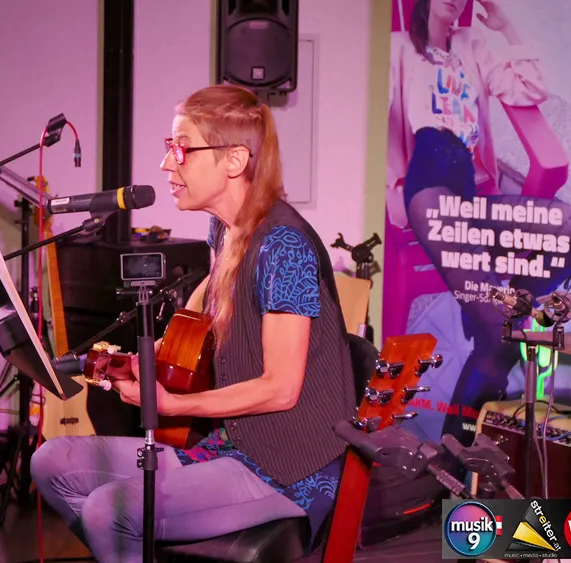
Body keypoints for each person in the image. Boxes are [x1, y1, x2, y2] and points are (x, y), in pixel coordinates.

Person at [30, 84, 357, 562]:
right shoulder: (224, 227)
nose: (167, 164)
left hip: (288, 465)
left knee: (107, 511)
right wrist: (156, 354)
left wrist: (172, 402)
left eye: (182, 148)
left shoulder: (283, 246)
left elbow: (281, 389)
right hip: (231, 442)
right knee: (51, 460)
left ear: (234, 160)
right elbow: (218, 313)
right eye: (170, 147)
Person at [386, 0, 571, 441]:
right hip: (430, 196)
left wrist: (506, 27)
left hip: (472, 203)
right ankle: (454, 453)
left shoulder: (472, 45)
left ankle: (498, 308)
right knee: (501, 339)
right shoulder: (400, 48)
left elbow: (531, 89)